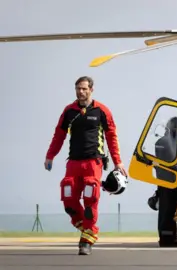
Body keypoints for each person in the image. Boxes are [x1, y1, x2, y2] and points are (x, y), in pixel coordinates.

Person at [44, 76, 127, 255]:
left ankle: (86, 241)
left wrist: (117, 161)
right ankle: (88, 229)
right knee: (68, 199)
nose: (80, 92)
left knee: (90, 199)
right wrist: (50, 156)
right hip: (73, 162)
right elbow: (58, 135)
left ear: (91, 89)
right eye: (78, 89)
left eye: (84, 88)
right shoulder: (69, 111)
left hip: (93, 162)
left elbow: (112, 137)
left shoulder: (101, 110)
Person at [147, 117, 177, 247]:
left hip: (165, 181)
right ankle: (167, 239)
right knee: (169, 210)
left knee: (166, 209)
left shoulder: (161, 141)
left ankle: (167, 237)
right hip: (174, 180)